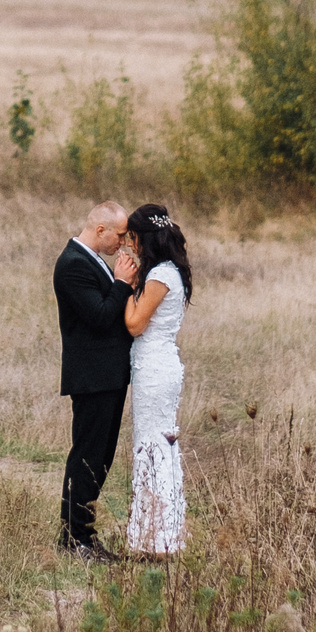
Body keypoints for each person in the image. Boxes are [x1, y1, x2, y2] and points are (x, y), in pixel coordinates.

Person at [53, 201, 134, 561]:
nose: (123, 242)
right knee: (86, 457)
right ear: (100, 230)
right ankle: (75, 539)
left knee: (100, 459)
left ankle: (83, 535)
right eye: (119, 235)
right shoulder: (72, 264)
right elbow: (100, 316)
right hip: (92, 378)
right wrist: (121, 283)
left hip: (108, 377)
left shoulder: (92, 259)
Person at [117, 203, 191, 557]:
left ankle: (161, 539)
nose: (129, 245)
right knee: (153, 446)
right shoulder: (167, 270)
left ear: (144, 237)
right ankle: (153, 536)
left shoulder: (161, 275)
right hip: (155, 366)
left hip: (155, 369)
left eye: (132, 237)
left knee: (155, 447)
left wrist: (125, 285)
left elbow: (134, 324)